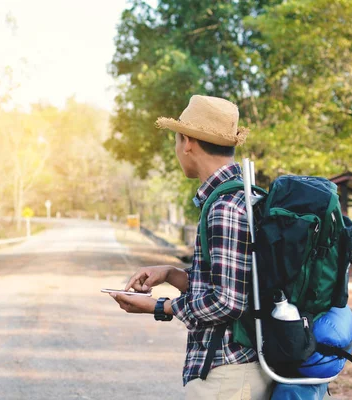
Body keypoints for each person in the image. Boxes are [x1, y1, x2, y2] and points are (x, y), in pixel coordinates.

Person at [109, 95, 273, 399]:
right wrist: (172, 274)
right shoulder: (245, 198)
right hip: (243, 369)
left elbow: (227, 301)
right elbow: (237, 284)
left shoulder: (224, 207)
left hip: (229, 374)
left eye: (176, 140)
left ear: (187, 142)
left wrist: (161, 306)